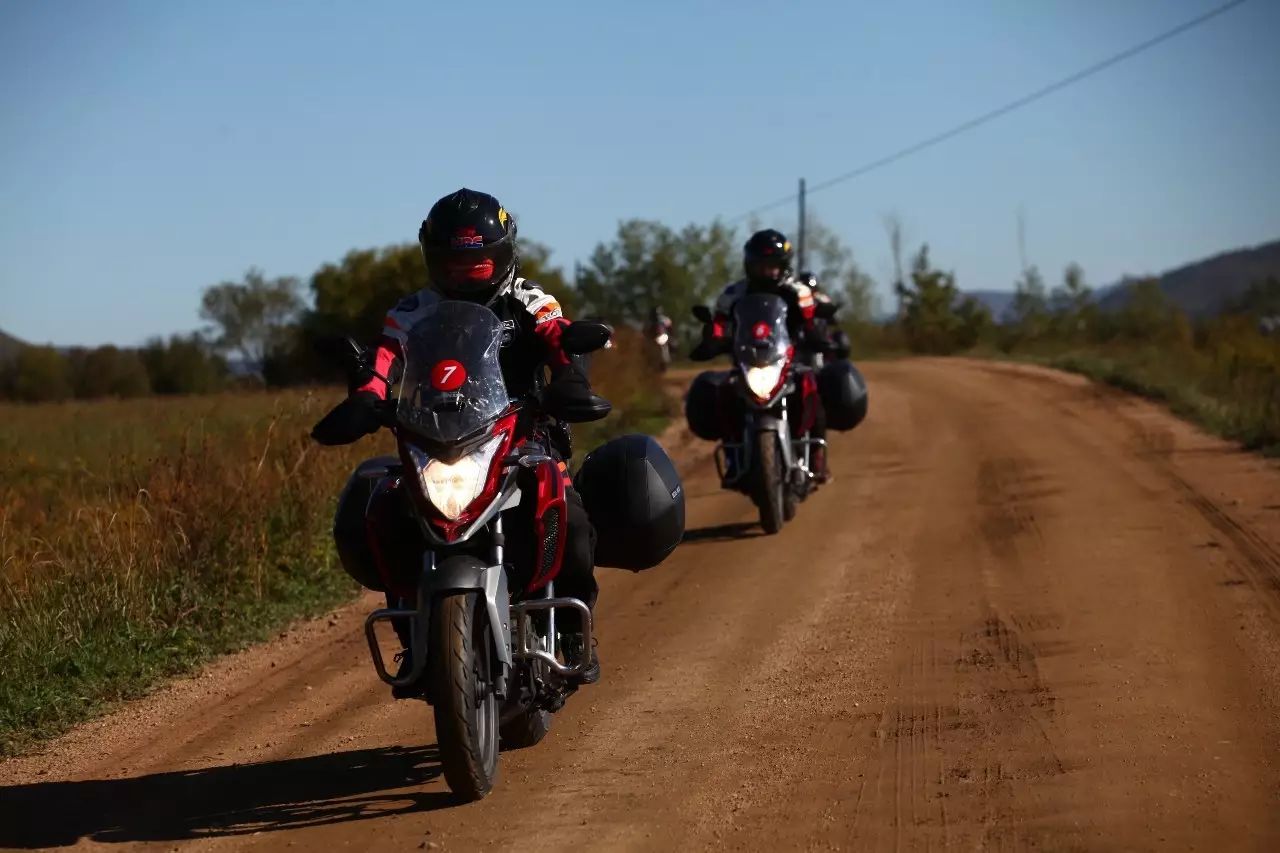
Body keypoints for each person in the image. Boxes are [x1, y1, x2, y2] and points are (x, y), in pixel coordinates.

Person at [311, 187, 605, 687]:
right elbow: (385, 357)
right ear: (432, 259)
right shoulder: (412, 310)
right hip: (435, 438)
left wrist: (571, 380)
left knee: (569, 517)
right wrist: (367, 397)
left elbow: (558, 336)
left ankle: (574, 632)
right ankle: (413, 633)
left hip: (523, 436)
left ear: (503, 256)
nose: (464, 274)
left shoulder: (530, 299)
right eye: (453, 265)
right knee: (387, 511)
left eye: (477, 265)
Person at [691, 229, 831, 482]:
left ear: (783, 266)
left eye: (773, 266)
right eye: (761, 266)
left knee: (810, 387)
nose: (767, 271)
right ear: (749, 265)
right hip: (748, 361)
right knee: (725, 394)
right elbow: (720, 322)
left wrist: (818, 337)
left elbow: (810, 322)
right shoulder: (734, 294)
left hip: (786, 361)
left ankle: (817, 455)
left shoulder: (798, 292)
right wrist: (712, 340)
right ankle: (733, 456)